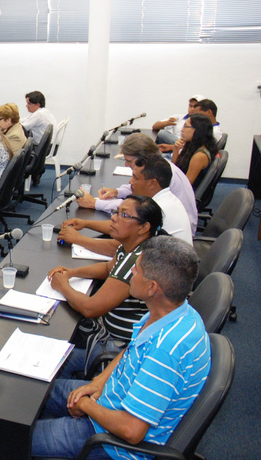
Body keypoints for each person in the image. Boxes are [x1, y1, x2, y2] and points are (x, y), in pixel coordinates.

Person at [32, 236, 210, 460]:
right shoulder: (173, 312)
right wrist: (98, 382)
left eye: (136, 269)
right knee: (34, 390)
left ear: (152, 287)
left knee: (13, 438)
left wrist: (86, 406)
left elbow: (131, 431)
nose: (130, 272)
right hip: (108, 400)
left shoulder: (166, 351)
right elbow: (132, 350)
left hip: (111, 443)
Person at [48, 195, 163, 377]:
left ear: (144, 227)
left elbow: (90, 308)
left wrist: (63, 286)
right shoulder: (132, 246)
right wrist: (71, 273)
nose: (114, 218)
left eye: (124, 215)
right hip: (112, 337)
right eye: (116, 212)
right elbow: (108, 268)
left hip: (119, 348)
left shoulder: (137, 262)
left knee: (53, 365)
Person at [60, 156, 192, 256]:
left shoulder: (159, 210)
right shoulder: (166, 198)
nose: (131, 182)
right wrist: (85, 223)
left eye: (135, 178)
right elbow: (123, 224)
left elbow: (118, 249)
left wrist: (79, 239)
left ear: (152, 183)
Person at [77, 133, 198, 235]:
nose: (126, 164)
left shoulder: (161, 175)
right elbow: (139, 190)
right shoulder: (160, 167)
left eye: (129, 161)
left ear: (143, 159)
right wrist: (117, 192)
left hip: (171, 236)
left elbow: (133, 210)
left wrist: (95, 203)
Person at [172, 113, 217, 188]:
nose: (182, 130)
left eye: (185, 126)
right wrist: (176, 149)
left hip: (185, 191)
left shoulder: (200, 156)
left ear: (196, 130)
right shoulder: (192, 146)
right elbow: (176, 168)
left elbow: (186, 185)